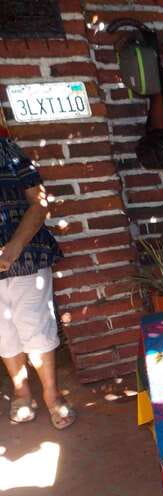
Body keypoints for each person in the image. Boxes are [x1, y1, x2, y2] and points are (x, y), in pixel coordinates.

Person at [0, 137, 75, 429]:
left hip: (25, 251)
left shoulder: (7, 151)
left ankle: (51, 394)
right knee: (3, 330)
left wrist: (14, 246)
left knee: (34, 324)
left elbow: (39, 203)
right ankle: (21, 391)